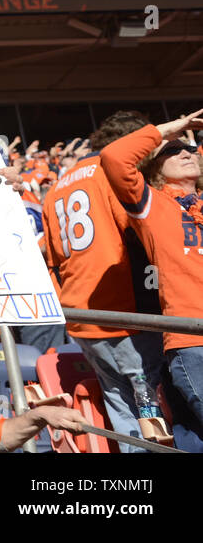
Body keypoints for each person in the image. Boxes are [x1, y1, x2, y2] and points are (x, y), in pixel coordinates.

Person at [40, 110, 164, 452]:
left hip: (82, 313)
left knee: (122, 408)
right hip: (123, 310)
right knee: (151, 414)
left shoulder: (57, 186)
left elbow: (49, 257)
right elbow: (147, 230)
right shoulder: (111, 174)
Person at [101, 111, 203, 452]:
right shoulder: (152, 206)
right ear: (154, 168)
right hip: (193, 340)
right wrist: (168, 130)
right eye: (172, 151)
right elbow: (114, 157)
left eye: (190, 148)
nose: (187, 152)